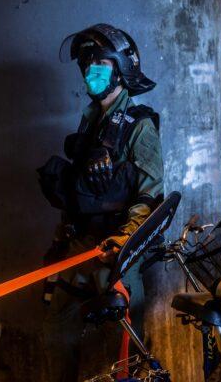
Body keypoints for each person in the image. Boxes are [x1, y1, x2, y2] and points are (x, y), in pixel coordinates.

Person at [38, 24, 163, 381]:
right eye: (86, 63)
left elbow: (150, 194)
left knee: (120, 351)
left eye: (100, 63)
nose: (90, 69)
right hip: (78, 250)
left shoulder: (139, 126)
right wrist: (59, 242)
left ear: (122, 68)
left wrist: (125, 242)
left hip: (114, 257)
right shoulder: (90, 120)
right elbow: (81, 191)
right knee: (56, 331)